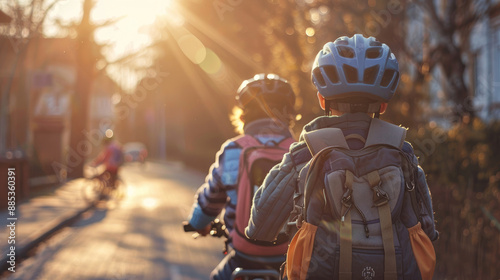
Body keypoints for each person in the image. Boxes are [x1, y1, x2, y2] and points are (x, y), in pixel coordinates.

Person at [245, 34, 439, 279]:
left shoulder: (306, 152)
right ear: (382, 105)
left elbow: (261, 228)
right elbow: (427, 229)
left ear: (322, 99)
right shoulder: (403, 153)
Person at [186, 74, 296, 280]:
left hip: (244, 258)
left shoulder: (233, 150)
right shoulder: (302, 151)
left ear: (243, 116)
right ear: (289, 115)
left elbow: (209, 201)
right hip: (290, 259)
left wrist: (198, 223)